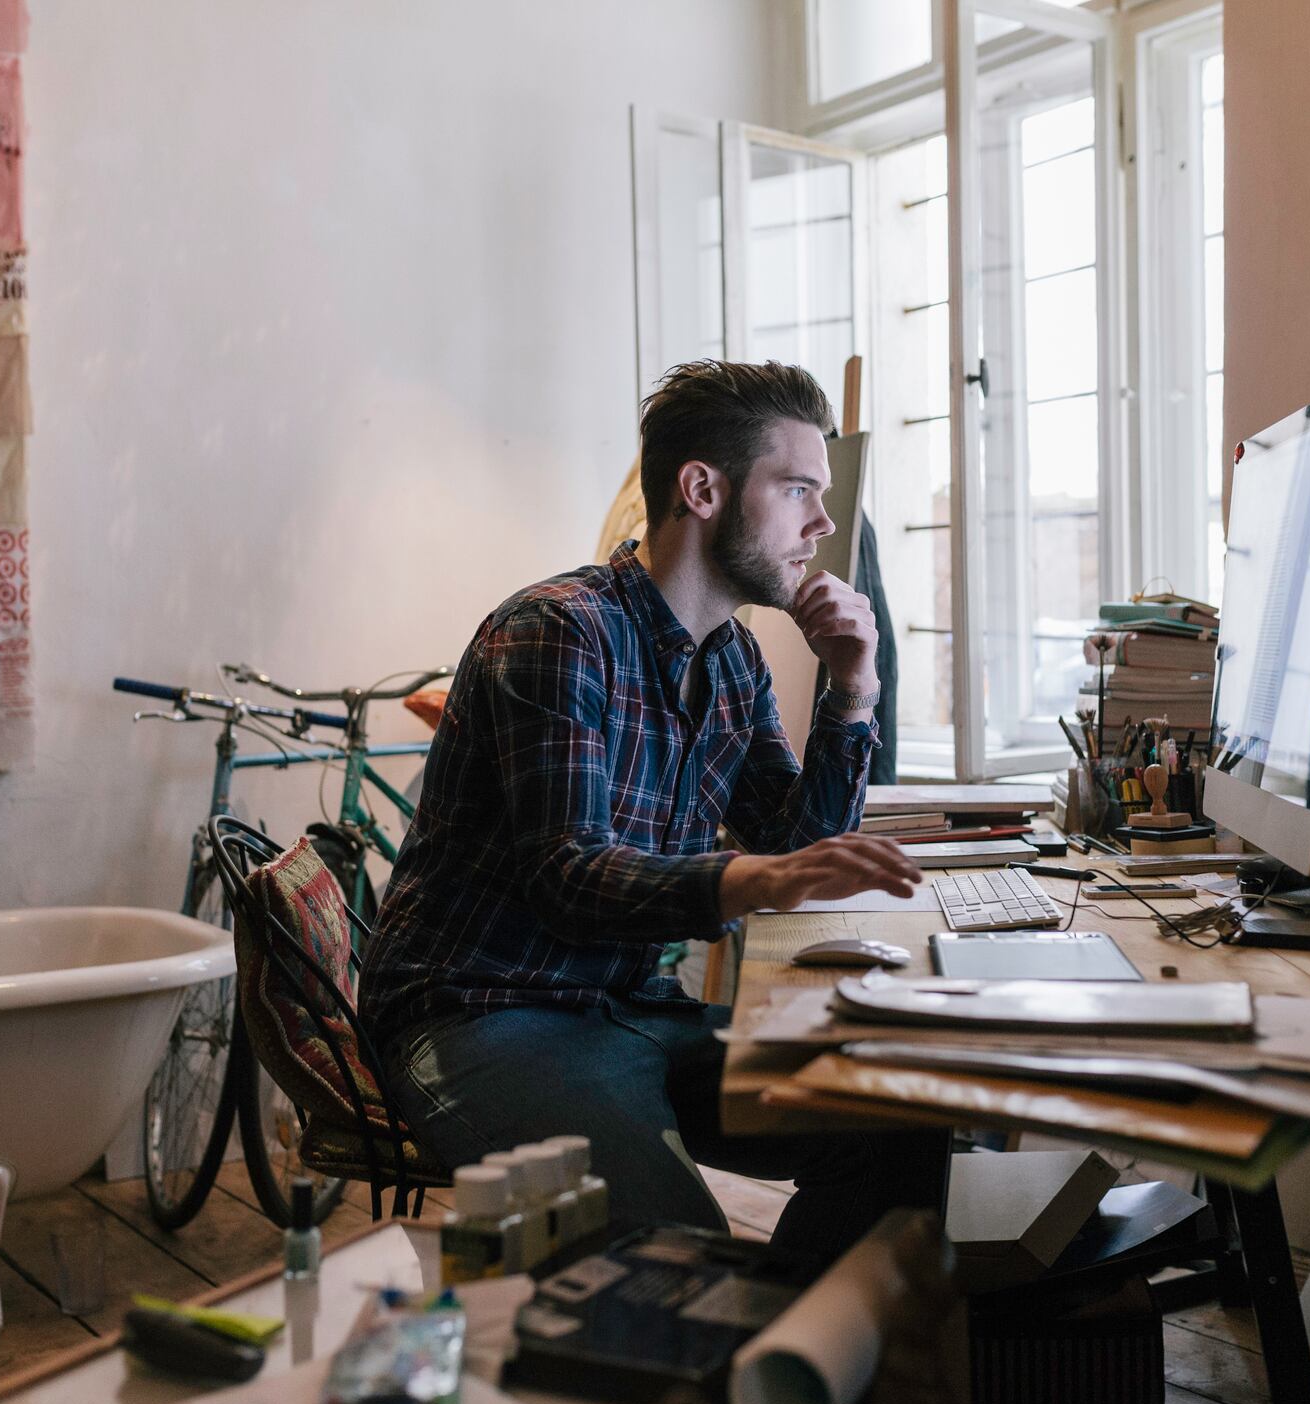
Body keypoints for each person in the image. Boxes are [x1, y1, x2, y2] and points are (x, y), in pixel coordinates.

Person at [360, 360, 946, 1261]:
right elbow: (568, 877)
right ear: (703, 489)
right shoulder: (558, 630)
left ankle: (781, 1361)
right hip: (482, 1012)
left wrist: (852, 691)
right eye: (796, 489)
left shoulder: (734, 660)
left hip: (626, 1006)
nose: (824, 524)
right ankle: (719, 1356)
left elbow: (795, 848)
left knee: (900, 1125)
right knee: (674, 1256)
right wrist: (758, 877)